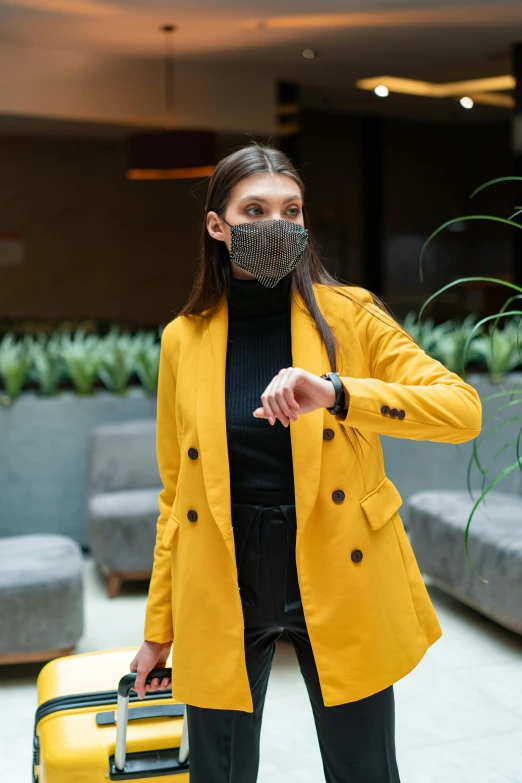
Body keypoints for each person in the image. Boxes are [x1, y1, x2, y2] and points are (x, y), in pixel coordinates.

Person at [129, 142, 482, 782]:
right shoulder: (183, 338)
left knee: (363, 767)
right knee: (220, 769)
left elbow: (461, 411)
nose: (278, 225)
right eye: (256, 208)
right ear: (217, 225)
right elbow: (174, 494)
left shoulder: (351, 315)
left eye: (292, 210)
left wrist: (339, 393)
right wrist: (160, 626)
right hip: (224, 569)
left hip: (337, 556)